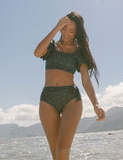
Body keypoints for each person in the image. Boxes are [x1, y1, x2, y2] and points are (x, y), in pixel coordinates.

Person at [34, 11, 105, 160]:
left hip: (71, 100)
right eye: (64, 28)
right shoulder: (52, 46)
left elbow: (85, 79)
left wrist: (95, 104)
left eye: (71, 31)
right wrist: (55, 28)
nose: (67, 33)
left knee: (62, 152)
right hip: (47, 99)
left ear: (77, 32)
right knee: (55, 154)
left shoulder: (79, 52)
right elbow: (37, 52)